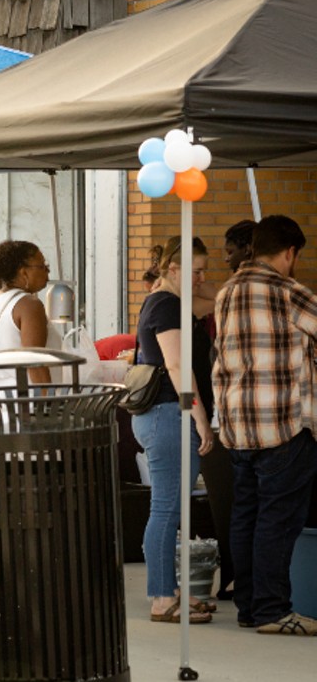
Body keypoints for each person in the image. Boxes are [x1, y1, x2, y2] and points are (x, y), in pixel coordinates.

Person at [213, 214, 317, 634]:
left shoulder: (226, 292)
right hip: (284, 423)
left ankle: (249, 606)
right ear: (289, 252)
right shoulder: (288, 292)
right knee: (278, 518)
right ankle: (273, 610)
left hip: (239, 423)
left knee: (246, 515)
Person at [134, 236, 217, 624]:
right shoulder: (167, 305)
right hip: (171, 413)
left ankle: (169, 589)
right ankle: (162, 598)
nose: (202, 278)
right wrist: (199, 417)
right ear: (172, 269)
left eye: (205, 270)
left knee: (171, 507)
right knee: (166, 508)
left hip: (164, 414)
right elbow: (178, 368)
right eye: (195, 270)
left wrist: (196, 279)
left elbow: (218, 298)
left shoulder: (172, 300)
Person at [0, 240, 60, 387]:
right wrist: (49, 403)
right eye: (42, 266)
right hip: (28, 403)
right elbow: (35, 363)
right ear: (23, 272)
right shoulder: (29, 305)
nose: (47, 271)